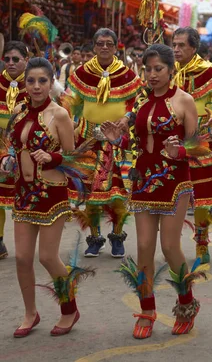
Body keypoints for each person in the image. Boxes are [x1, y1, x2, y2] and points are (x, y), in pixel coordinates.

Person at [101, 44, 200, 339]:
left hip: (174, 180)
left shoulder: (185, 101)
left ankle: (185, 305)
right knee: (143, 246)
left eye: (158, 69)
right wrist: (116, 140)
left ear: (171, 69)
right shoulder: (140, 102)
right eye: (148, 69)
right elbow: (138, 143)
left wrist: (179, 150)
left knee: (170, 247)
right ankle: (147, 310)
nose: (152, 74)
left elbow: (198, 145)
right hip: (143, 180)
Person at [8, 58, 94, 338]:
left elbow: (75, 158)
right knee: (22, 258)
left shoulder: (60, 115)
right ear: (25, 82)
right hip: (23, 192)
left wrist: (53, 156)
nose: (35, 86)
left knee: (47, 256)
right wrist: (7, 161)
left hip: (51, 194)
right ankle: (30, 313)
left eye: (42, 81)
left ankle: (69, 309)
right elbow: (13, 147)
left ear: (51, 82)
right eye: (30, 81)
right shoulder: (19, 111)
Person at [67, 28, 143, 258]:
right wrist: (69, 122)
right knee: (90, 194)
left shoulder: (128, 75)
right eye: (100, 43)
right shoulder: (81, 73)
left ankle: (117, 238)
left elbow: (136, 103)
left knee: (118, 193)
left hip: (117, 140)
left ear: (116, 47)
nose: (104, 47)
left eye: (109, 43)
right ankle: (95, 238)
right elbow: (74, 102)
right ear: (94, 46)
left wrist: (126, 118)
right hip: (88, 139)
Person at [172, 26, 212, 264]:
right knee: (174, 193)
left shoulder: (211, 73)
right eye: (174, 45)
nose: (176, 50)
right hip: (172, 140)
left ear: (194, 48)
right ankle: (172, 244)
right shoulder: (166, 70)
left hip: (202, 140)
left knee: (202, 196)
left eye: (181, 46)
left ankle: (201, 243)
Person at [0, 41, 29, 259]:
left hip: (24, 146)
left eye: (15, 59)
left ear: (26, 60)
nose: (10, 63)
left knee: (24, 194)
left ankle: (26, 245)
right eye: (7, 58)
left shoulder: (34, 83)